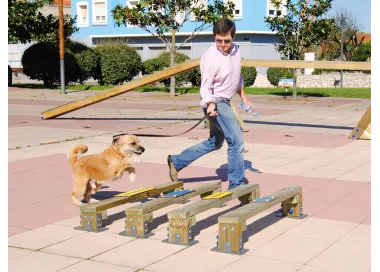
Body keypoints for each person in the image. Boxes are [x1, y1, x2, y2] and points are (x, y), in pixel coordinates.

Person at [167, 18, 255, 190]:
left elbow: (237, 77)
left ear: (233, 38)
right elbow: (205, 85)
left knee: (215, 142)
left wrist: (244, 97)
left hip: (224, 101)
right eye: (218, 40)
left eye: (226, 41)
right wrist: (209, 104)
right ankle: (236, 184)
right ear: (215, 37)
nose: (222, 44)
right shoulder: (210, 56)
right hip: (215, 101)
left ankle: (176, 161)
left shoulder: (236, 51)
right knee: (236, 142)